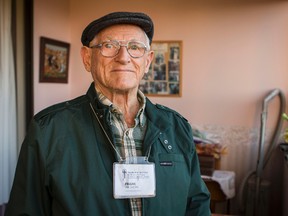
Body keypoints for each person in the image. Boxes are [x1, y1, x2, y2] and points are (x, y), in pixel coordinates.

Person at [5, 11, 211, 216]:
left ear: (147, 61)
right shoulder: (48, 129)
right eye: (109, 46)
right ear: (87, 58)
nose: (123, 58)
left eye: (135, 48)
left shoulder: (176, 127)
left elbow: (196, 205)